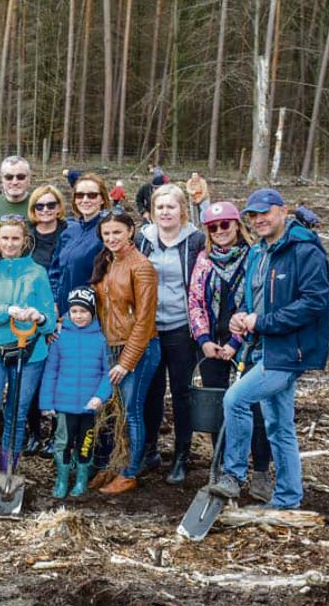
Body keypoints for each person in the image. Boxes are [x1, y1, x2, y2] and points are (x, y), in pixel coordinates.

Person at [208, 189, 329, 510]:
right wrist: (241, 320)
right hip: (262, 348)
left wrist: (261, 321)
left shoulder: (304, 250)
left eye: (265, 213)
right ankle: (288, 500)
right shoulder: (257, 253)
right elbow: (253, 300)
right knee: (279, 427)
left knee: (234, 399)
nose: (259, 220)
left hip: (290, 352)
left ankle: (232, 475)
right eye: (253, 215)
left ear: (283, 211)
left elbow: (314, 303)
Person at [187, 201, 273, 501]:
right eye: (213, 227)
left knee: (254, 408)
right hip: (211, 345)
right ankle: (225, 469)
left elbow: (254, 302)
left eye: (225, 225)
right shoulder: (204, 260)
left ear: (237, 225)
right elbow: (195, 301)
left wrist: (235, 344)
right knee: (217, 407)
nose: (220, 231)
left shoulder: (254, 258)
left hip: (247, 343)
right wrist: (205, 340)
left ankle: (261, 470)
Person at [0, 218, 56, 501]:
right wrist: (8, 310)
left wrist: (39, 317)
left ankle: (8, 477)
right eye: (4, 239)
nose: (9, 244)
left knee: (17, 417)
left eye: (15, 239)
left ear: (25, 241)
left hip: (29, 352)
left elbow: (50, 319)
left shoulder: (37, 272)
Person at [136, 184, 206, 485]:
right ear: (152, 212)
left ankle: (181, 455)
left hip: (181, 327)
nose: (165, 212)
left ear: (182, 211)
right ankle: (149, 450)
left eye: (171, 207)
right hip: (149, 327)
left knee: (181, 393)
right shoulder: (142, 240)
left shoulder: (195, 241)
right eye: (159, 207)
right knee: (150, 392)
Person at [87, 212, 161, 495]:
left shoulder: (141, 267)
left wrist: (126, 363)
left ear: (130, 231)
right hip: (110, 345)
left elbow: (144, 321)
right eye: (106, 234)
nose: (111, 238)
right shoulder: (108, 261)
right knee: (112, 410)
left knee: (132, 411)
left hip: (138, 348)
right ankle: (112, 463)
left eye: (117, 232)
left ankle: (130, 471)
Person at [39, 287, 111, 498]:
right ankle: (61, 480)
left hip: (89, 406)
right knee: (63, 443)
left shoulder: (101, 338)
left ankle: (81, 480)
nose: (79, 316)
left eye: (84, 311)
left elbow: (108, 372)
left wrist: (100, 396)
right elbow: (51, 371)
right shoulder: (60, 337)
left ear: (93, 311)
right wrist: (46, 402)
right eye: (74, 311)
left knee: (86, 443)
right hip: (64, 404)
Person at [22, 184, 71, 456]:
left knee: (57, 374)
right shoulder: (27, 237)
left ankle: (55, 434)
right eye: (40, 206)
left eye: (51, 205)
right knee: (31, 374)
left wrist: (58, 314)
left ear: (59, 207)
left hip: (60, 311)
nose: (45, 211)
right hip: (30, 312)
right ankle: (32, 431)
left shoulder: (68, 233)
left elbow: (68, 273)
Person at [48, 173, 111, 316]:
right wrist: (55, 302)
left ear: (102, 199)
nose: (85, 200)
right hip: (62, 312)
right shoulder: (69, 231)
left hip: (90, 315)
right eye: (80, 195)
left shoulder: (108, 232)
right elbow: (55, 271)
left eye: (92, 195)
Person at [0, 155, 32, 220]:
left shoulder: (41, 206)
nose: (15, 182)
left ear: (29, 178)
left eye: (20, 177)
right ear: (2, 178)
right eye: (9, 177)